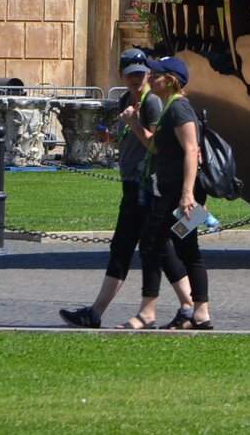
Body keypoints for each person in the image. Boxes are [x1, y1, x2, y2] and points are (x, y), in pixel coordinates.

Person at [59, 49, 189, 328]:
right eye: (131, 75)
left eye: (141, 74)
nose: (137, 80)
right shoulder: (124, 100)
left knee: (125, 247)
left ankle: (96, 312)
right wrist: (111, 136)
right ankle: (191, 306)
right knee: (159, 247)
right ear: (122, 76)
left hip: (147, 186)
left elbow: (156, 145)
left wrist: (132, 123)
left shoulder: (152, 102)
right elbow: (132, 139)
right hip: (132, 183)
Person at [124, 57, 213, 330]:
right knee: (186, 248)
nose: (150, 76)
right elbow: (157, 148)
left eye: (157, 74)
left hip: (179, 192)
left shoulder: (179, 108)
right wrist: (136, 124)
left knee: (152, 242)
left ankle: (148, 312)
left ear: (171, 80)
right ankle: (200, 314)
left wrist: (187, 195)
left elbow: (192, 150)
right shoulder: (168, 109)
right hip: (173, 188)